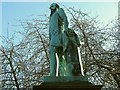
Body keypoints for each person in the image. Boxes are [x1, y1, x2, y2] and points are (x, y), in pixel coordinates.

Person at [49, 3, 68, 76]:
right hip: (53, 39)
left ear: (56, 7)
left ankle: (57, 74)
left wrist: (66, 32)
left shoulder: (59, 11)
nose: (51, 8)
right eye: (50, 7)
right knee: (58, 55)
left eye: (52, 7)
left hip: (59, 37)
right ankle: (54, 74)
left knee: (60, 56)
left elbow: (65, 19)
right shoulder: (51, 18)